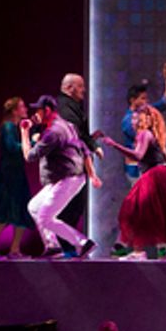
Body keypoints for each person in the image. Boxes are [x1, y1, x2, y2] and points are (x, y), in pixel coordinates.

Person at [99, 106, 166, 261]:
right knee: (153, 214)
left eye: (136, 118)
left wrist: (114, 145)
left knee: (134, 210)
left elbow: (138, 155)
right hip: (159, 175)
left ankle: (139, 252)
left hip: (154, 176)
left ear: (145, 119)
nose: (133, 121)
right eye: (133, 118)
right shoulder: (150, 134)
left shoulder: (145, 134)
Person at [22, 94, 100, 259]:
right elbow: (84, 148)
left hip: (68, 179)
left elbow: (29, 156)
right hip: (66, 178)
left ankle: (83, 243)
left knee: (45, 217)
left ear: (47, 110)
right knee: (34, 206)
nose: (36, 113)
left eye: (39, 110)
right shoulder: (67, 125)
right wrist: (92, 174)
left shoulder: (53, 133)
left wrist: (24, 132)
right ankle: (52, 246)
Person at [55, 73, 100, 256]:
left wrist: (92, 143)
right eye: (80, 86)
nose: (84, 90)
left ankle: (69, 246)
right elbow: (75, 136)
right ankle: (66, 247)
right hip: (70, 166)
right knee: (69, 208)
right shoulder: (65, 107)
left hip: (73, 164)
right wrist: (92, 145)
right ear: (69, 88)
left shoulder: (72, 107)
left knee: (72, 207)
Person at [0, 97, 34, 258]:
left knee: (21, 211)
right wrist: (31, 142)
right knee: (6, 211)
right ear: (14, 111)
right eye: (22, 107)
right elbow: (12, 148)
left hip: (17, 174)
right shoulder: (8, 127)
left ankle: (15, 249)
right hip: (9, 176)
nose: (25, 109)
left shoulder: (16, 127)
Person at [121, 63, 166, 184]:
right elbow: (146, 142)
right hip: (136, 170)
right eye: (143, 98)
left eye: (147, 98)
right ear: (133, 100)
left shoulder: (148, 112)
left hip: (148, 167)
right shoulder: (128, 121)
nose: (147, 101)